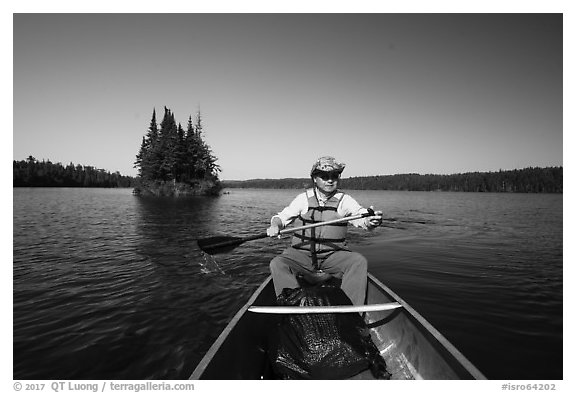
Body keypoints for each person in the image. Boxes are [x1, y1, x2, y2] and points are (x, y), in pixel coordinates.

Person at [267, 156, 383, 306]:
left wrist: (370, 221)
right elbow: (281, 218)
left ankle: (349, 313)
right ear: (315, 178)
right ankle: (294, 308)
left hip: (331, 256)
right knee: (278, 263)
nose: (330, 180)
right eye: (324, 176)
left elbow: (361, 217)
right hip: (302, 255)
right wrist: (275, 225)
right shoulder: (303, 199)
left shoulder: (345, 200)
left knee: (358, 262)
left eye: (334, 176)